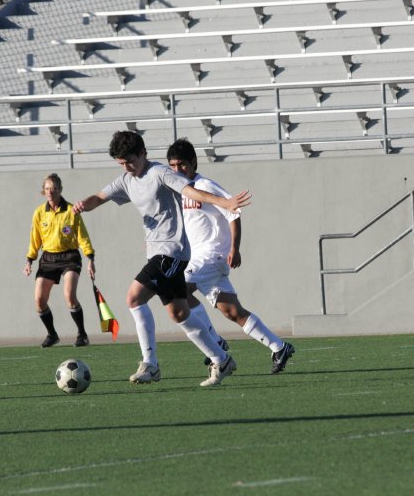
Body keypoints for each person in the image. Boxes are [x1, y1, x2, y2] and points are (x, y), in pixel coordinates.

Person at [72, 130, 251, 387]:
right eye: (121, 163)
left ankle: (151, 364)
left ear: (143, 153)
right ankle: (221, 359)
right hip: (159, 253)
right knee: (179, 313)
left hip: (171, 252)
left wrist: (224, 202)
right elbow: (99, 198)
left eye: (130, 161)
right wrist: (82, 205)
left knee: (134, 297)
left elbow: (190, 191)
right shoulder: (126, 180)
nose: (127, 166)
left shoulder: (160, 173)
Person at [167, 139, 295, 374]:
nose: (177, 170)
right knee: (233, 312)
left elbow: (233, 213)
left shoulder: (205, 185)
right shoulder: (178, 190)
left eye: (182, 165)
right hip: (199, 260)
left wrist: (234, 248)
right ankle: (279, 347)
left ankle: (214, 342)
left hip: (212, 256)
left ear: (194, 162)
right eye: (172, 166)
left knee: (176, 289)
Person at [24, 173, 96, 348]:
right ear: (43, 191)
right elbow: (35, 238)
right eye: (47, 188)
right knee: (39, 301)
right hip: (48, 258)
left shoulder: (72, 210)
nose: (50, 192)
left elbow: (82, 236)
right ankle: (52, 334)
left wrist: (90, 258)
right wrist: (29, 260)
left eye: (54, 188)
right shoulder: (39, 212)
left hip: (70, 257)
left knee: (69, 296)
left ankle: (82, 335)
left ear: (60, 190)